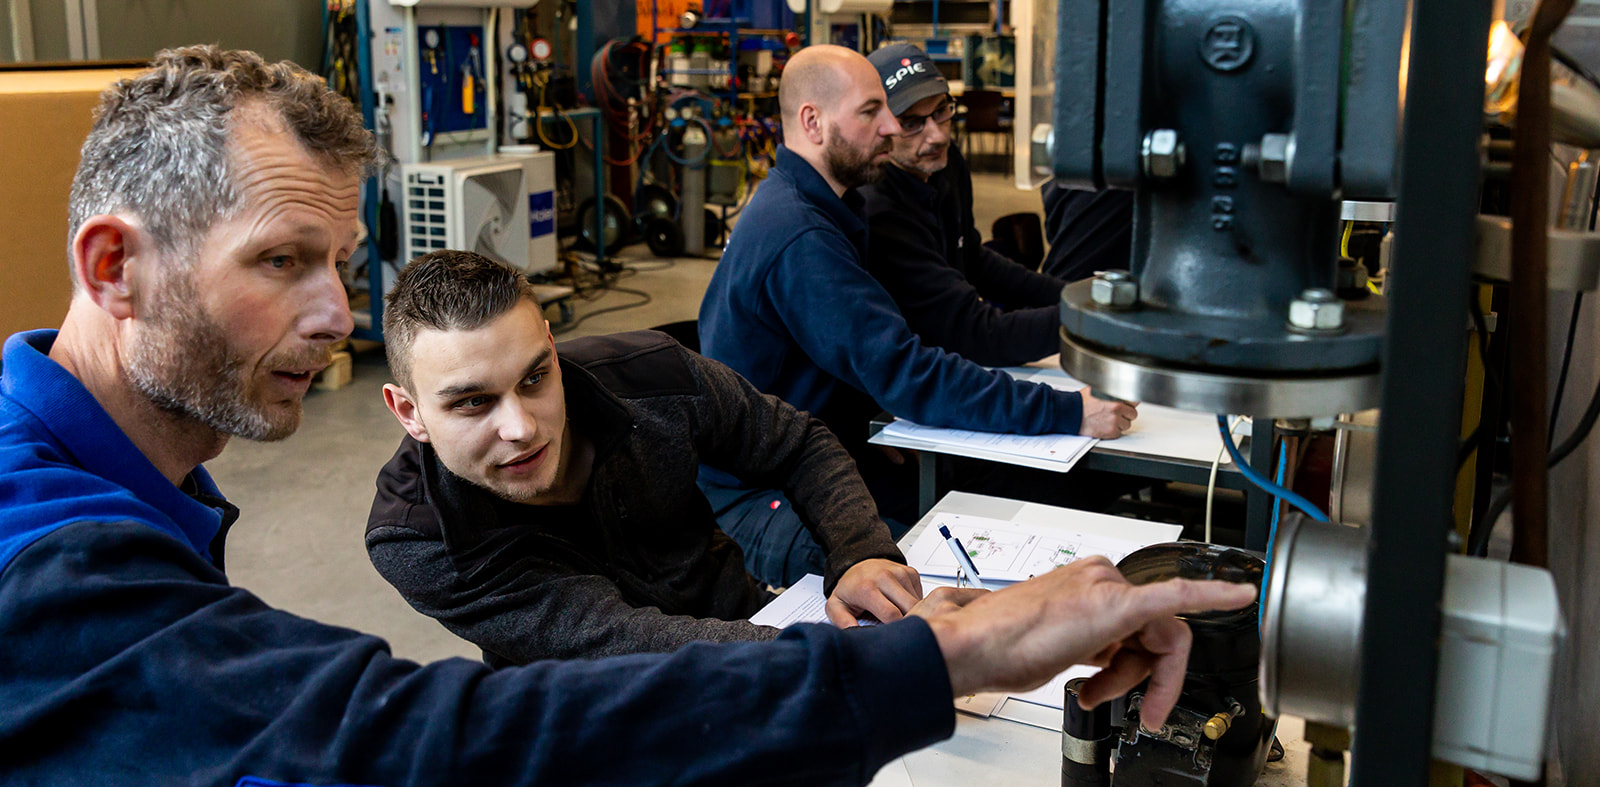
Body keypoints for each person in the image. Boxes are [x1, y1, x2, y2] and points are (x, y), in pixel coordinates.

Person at [0, 45, 1253, 787]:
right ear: (115, 268)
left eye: (337, 260)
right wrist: (958, 647)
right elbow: (399, 760)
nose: (336, 317)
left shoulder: (143, 487)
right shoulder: (38, 555)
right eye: (282, 263)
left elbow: (154, 759)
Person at [368, 250, 925, 663]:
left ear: (551, 346)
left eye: (535, 377)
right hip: (603, 715)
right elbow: (617, 641)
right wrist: (842, 657)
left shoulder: (653, 376)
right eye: (472, 402)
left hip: (757, 625)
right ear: (409, 411)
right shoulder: (418, 536)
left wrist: (860, 553)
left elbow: (795, 442)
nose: (520, 427)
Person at [697, 44, 1137, 551]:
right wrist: (1068, 412)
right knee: (935, 581)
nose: (890, 127)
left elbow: (853, 357)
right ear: (813, 122)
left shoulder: (830, 208)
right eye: (871, 112)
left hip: (823, 454)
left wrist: (859, 419)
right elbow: (908, 372)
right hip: (764, 497)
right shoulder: (801, 236)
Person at [859, 42, 1065, 367]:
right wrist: (1087, 321)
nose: (937, 135)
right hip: (910, 384)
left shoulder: (946, 163)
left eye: (941, 110)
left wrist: (1070, 297)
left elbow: (970, 255)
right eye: (911, 122)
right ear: (879, 126)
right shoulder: (878, 208)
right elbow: (973, 334)